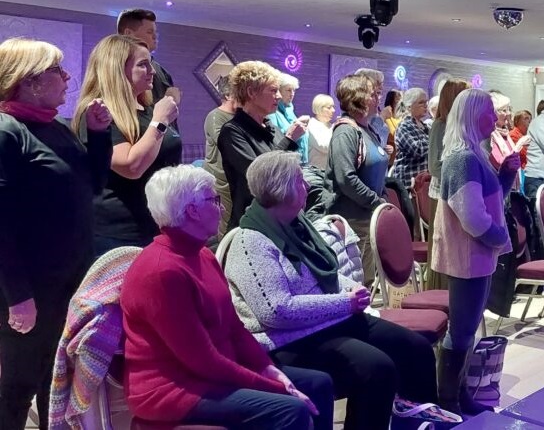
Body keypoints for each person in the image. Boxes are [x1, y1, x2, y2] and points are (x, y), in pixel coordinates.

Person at [225, 151, 437, 429]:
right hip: (290, 338)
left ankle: (421, 423)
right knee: (376, 368)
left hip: (329, 320)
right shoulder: (250, 242)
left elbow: (327, 275)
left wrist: (354, 290)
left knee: (416, 348)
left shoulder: (296, 225)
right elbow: (276, 311)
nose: (307, 186)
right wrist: (344, 303)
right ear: (283, 189)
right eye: (300, 181)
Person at [121, 165, 334, 429]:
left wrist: (268, 368)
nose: (221, 208)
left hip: (211, 371)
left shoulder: (202, 254)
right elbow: (202, 361)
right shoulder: (162, 272)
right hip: (172, 389)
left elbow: (234, 327)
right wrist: (272, 387)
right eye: (214, 199)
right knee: (290, 410)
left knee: (319, 384)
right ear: (192, 211)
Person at [0, 38, 113, 429]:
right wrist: (18, 297)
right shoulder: (7, 131)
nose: (67, 78)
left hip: (70, 277)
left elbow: (94, 185)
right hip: (30, 286)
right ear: (28, 80)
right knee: (17, 385)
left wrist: (99, 135)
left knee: (57, 379)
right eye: (57, 70)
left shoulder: (58, 129)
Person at [432, 89, 520, 415]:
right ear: (472, 116)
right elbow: (473, 218)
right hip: (469, 257)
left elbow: (491, 200)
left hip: (476, 256)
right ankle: (449, 398)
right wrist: (501, 237)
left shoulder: (473, 154)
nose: (495, 120)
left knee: (467, 328)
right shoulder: (463, 158)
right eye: (489, 113)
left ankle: (459, 392)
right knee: (463, 329)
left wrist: (507, 175)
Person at [72, 34, 183, 253]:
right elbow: (131, 167)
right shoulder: (98, 113)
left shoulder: (149, 110)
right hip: (119, 232)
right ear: (117, 70)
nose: (152, 71)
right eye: (143, 65)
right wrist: (160, 122)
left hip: (157, 223)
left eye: (150, 63)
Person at [218, 61, 306, 231]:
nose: (279, 96)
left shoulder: (270, 127)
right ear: (251, 92)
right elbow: (262, 177)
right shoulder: (232, 132)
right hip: (254, 224)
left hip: (281, 220)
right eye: (273, 90)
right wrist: (289, 139)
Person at [325, 74, 389, 287]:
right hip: (352, 219)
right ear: (360, 98)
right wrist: (377, 201)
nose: (378, 98)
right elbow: (346, 179)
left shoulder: (367, 129)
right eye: (373, 94)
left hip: (367, 216)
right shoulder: (345, 132)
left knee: (366, 279)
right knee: (354, 282)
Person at [426, 79, 471, 290]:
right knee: (443, 249)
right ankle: (441, 294)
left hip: (460, 194)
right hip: (443, 195)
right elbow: (434, 167)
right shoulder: (440, 125)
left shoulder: (464, 125)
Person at [117, 8, 179, 106]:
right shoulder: (114, 66)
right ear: (128, 33)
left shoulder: (162, 72)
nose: (155, 36)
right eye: (149, 32)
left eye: (155, 32)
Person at [203, 76, 236, 240]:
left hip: (236, 179)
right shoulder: (215, 116)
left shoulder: (240, 117)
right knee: (225, 226)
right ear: (228, 95)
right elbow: (228, 145)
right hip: (221, 179)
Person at [391, 87, 431, 186]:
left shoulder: (425, 127)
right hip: (408, 184)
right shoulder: (404, 126)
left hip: (422, 183)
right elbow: (418, 150)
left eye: (426, 102)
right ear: (409, 106)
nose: (426, 105)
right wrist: (435, 141)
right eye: (421, 102)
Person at [267, 73, 309, 164]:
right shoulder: (272, 112)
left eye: (294, 90)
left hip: (300, 162)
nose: (292, 94)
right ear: (279, 91)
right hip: (284, 163)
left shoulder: (289, 110)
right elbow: (276, 139)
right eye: (289, 90)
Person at [307, 94, 336, 170]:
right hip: (316, 173)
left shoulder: (330, 125)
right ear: (319, 108)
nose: (333, 110)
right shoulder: (311, 125)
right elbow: (323, 146)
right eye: (329, 108)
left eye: (333, 107)